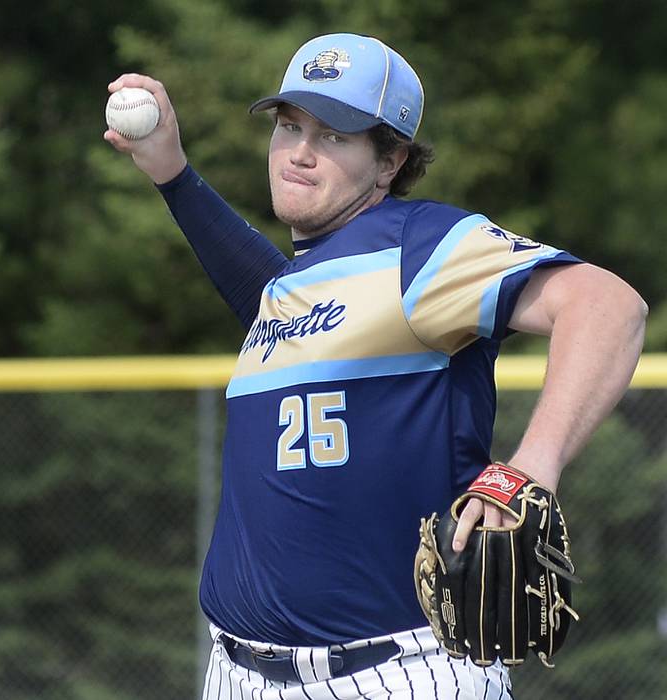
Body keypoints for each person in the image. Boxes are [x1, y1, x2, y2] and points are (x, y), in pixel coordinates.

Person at [104, 33, 647, 700]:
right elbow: (263, 287)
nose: (300, 152)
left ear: (389, 160)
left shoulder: (419, 246)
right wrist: (172, 173)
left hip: (396, 675)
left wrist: (527, 469)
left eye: (333, 136)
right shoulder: (294, 296)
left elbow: (609, 308)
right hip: (237, 674)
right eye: (289, 125)